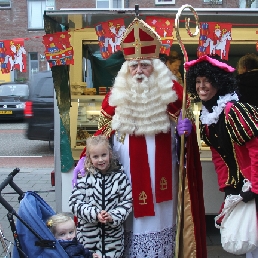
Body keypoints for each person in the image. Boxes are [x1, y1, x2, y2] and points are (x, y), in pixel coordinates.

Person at [73, 17, 207, 257]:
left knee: (162, 221)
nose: (138, 71)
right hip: (123, 181)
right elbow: (101, 134)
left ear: (155, 66)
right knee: (126, 223)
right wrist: (85, 161)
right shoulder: (115, 95)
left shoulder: (174, 93)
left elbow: (189, 141)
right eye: (133, 66)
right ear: (126, 69)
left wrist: (186, 130)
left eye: (144, 65)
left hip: (164, 181)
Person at [185, 55, 258, 258]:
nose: (202, 86)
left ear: (219, 81)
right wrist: (227, 187)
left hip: (254, 183)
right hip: (240, 185)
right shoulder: (207, 117)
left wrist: (255, 187)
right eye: (198, 81)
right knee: (249, 237)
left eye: (207, 80)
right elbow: (219, 157)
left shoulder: (234, 110)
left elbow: (256, 149)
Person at [69, 135, 132, 258]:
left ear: (110, 154)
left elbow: (127, 202)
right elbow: (75, 203)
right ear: (89, 157)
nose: (100, 160)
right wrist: (95, 214)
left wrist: (112, 216)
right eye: (95, 156)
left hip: (113, 242)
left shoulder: (119, 176)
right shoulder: (84, 177)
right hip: (88, 242)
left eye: (104, 155)